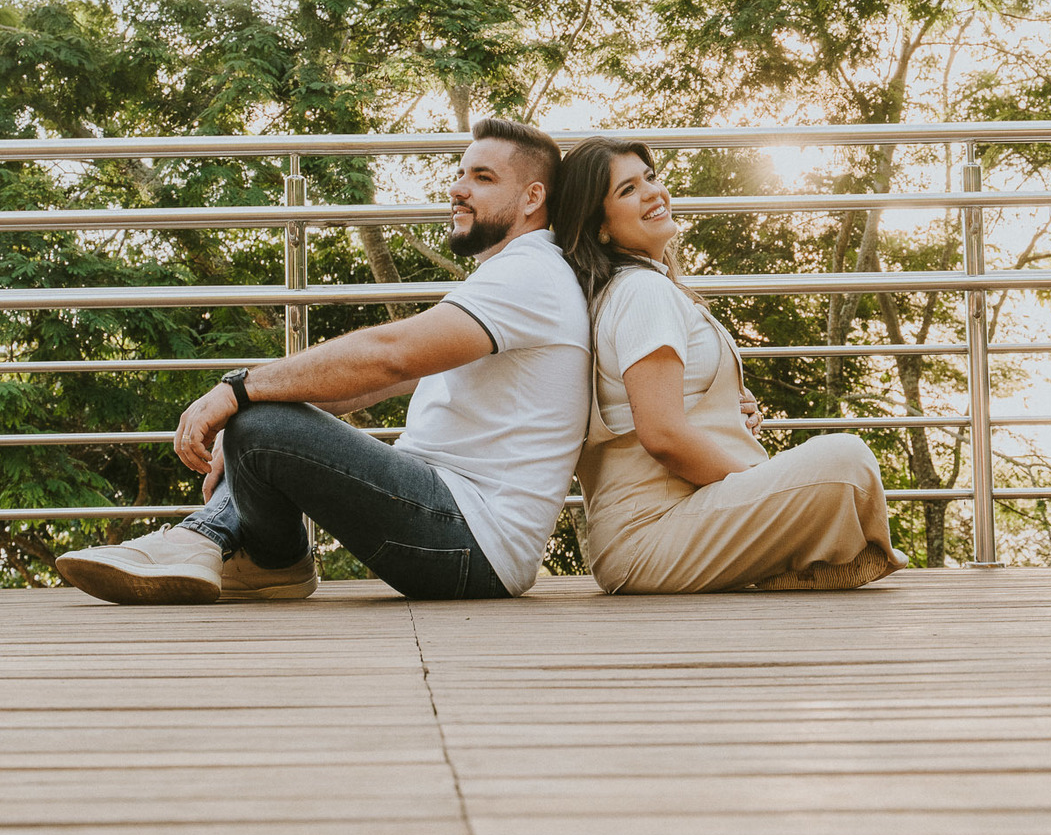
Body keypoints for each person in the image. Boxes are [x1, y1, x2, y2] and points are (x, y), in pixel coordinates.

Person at [56, 118, 590, 605]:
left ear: (531, 198)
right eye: (458, 173)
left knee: (261, 416)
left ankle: (212, 539)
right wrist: (247, 413)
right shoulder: (514, 277)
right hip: (455, 531)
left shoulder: (530, 275)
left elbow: (390, 358)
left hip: (471, 543)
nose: (456, 188)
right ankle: (249, 555)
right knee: (261, 410)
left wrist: (238, 392)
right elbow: (361, 389)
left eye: (481, 177)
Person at [551, 136, 907, 594]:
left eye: (651, 178)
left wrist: (724, 412)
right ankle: (802, 562)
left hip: (663, 527)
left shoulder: (634, 290)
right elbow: (662, 435)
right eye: (628, 190)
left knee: (840, 461)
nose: (653, 193)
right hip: (649, 534)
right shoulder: (642, 292)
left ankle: (792, 564)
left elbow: (658, 411)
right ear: (599, 226)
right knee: (847, 462)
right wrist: (761, 485)